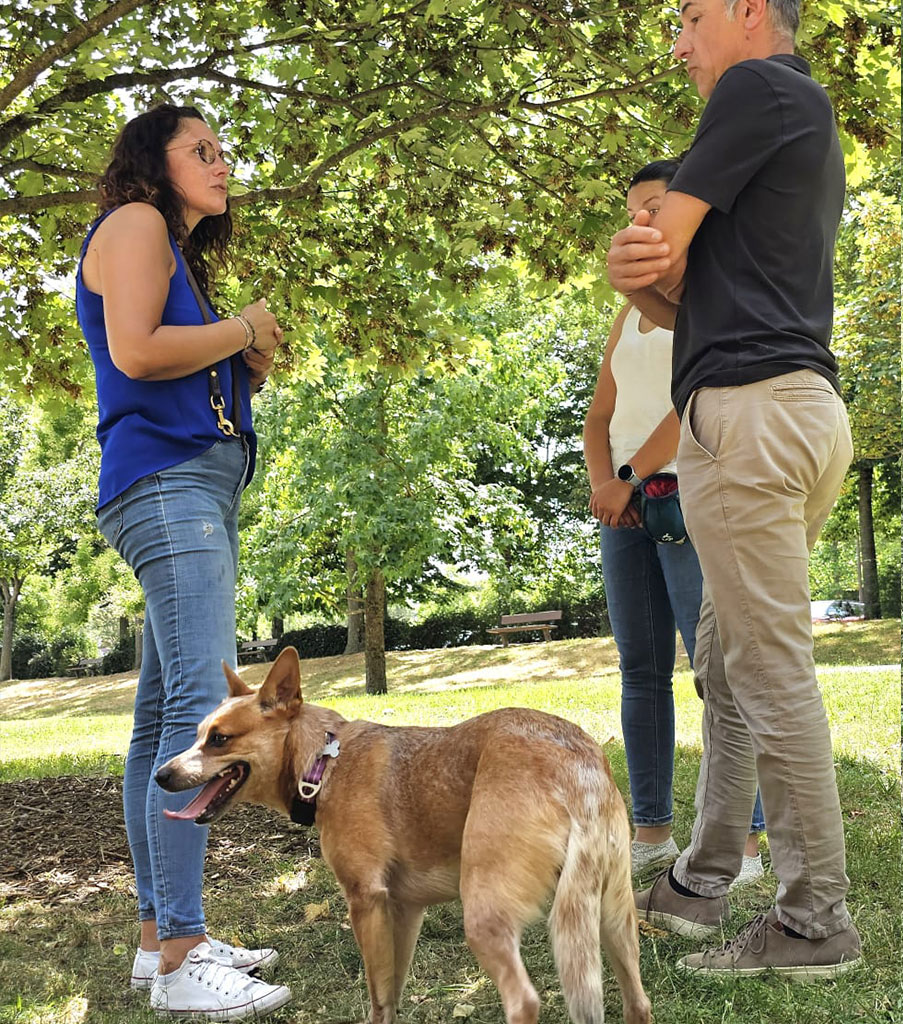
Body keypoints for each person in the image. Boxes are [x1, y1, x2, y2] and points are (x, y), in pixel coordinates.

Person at [606, 0, 860, 979]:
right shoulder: (793, 114)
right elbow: (679, 292)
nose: (678, 43)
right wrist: (639, 284)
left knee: (765, 669)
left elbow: (662, 240)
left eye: (691, 15)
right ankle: (704, 878)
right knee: (726, 662)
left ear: (749, 10)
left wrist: (642, 251)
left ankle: (813, 922)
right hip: (787, 411)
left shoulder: (755, 84)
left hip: (750, 420)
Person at [76, 104, 292, 1019]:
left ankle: (158, 940)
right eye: (198, 149)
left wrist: (247, 355)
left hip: (187, 486)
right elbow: (135, 351)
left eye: (223, 148)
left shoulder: (174, 253)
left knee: (160, 719)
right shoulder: (134, 224)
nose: (221, 161)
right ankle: (181, 958)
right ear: (152, 164)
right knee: (198, 720)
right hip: (168, 488)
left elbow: (183, 362)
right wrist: (242, 330)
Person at [583, 158, 765, 885]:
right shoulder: (628, 311)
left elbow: (689, 403)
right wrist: (604, 481)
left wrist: (626, 480)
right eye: (631, 212)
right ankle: (653, 831)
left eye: (654, 208)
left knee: (716, 670)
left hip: (684, 493)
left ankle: (743, 845)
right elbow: (600, 414)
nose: (640, 223)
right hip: (621, 510)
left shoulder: (712, 301)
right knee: (641, 672)